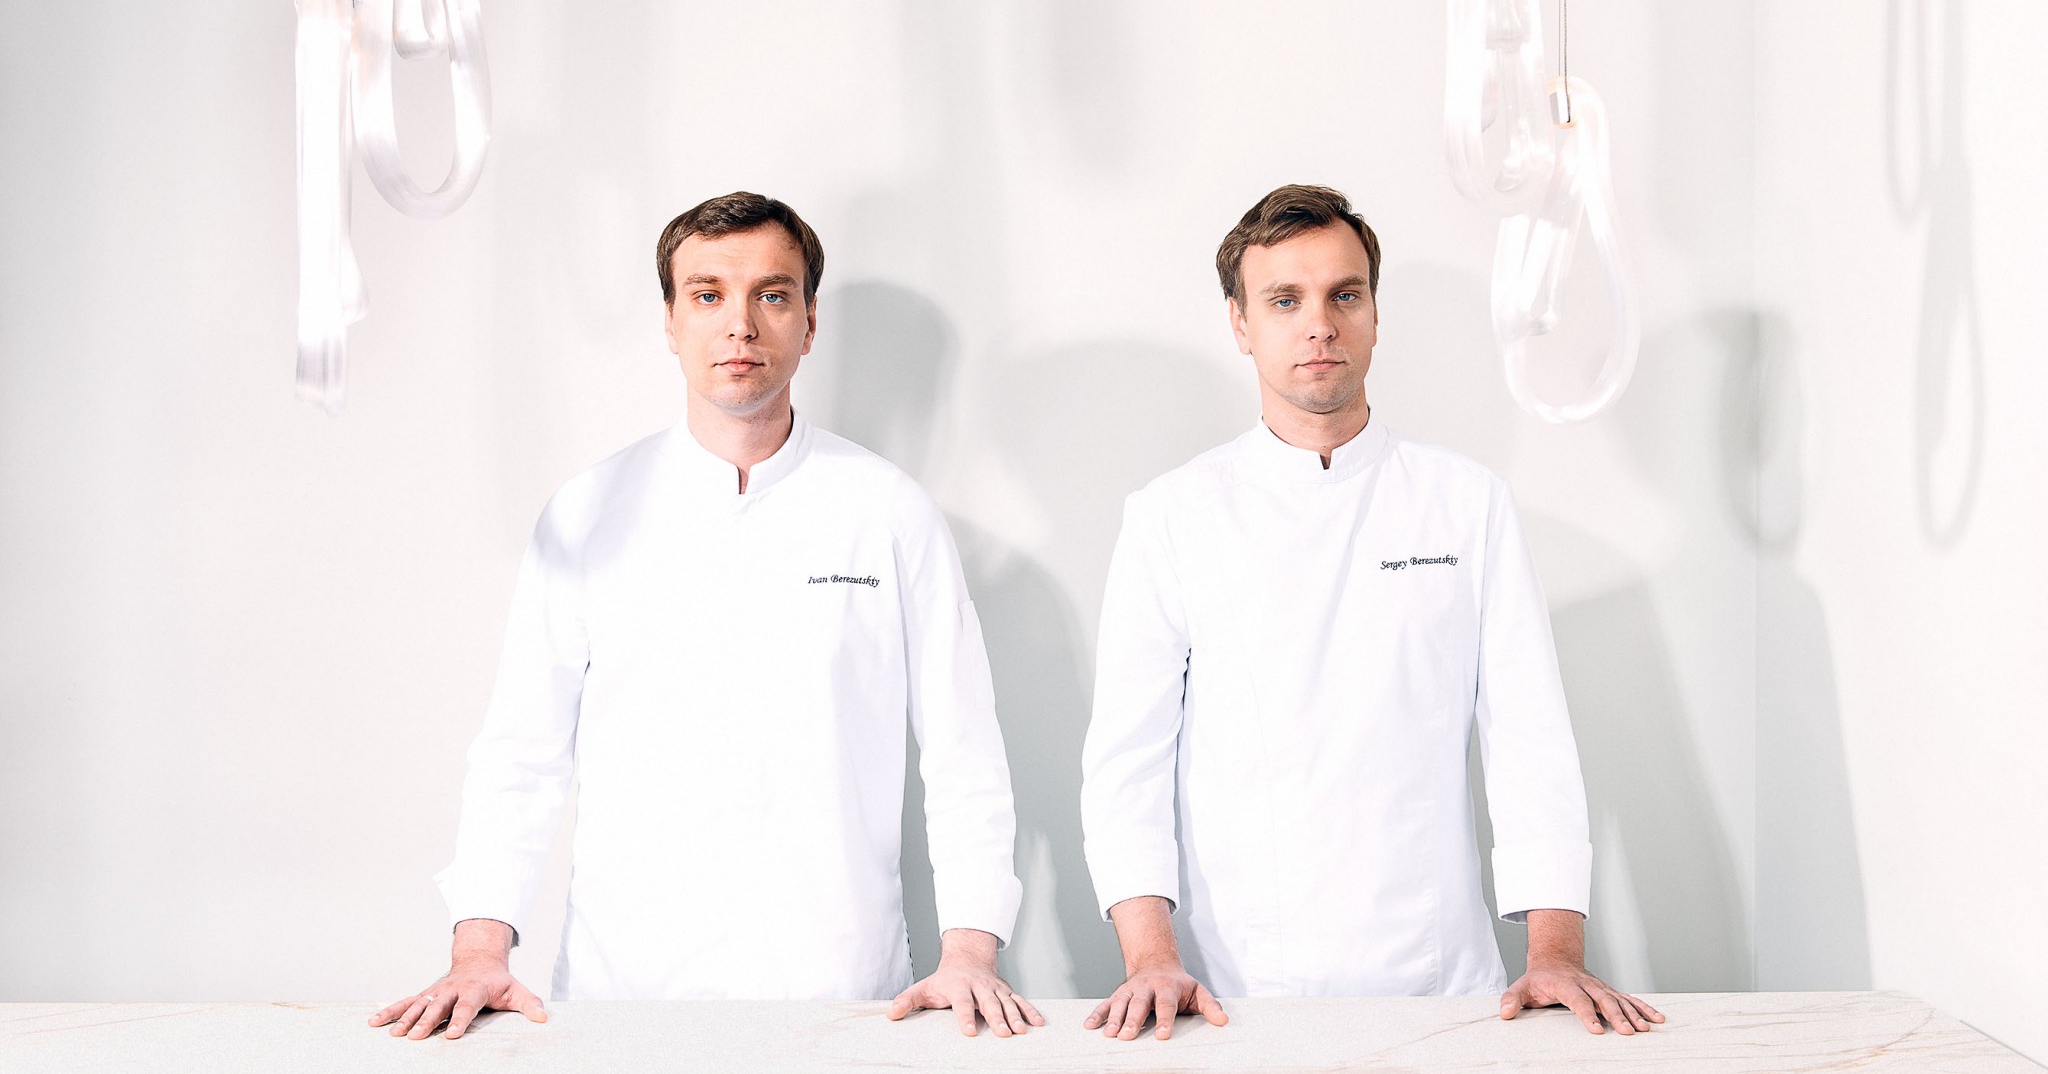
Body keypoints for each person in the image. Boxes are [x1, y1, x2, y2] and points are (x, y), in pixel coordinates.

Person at [372, 192, 1042, 1041]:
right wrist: (478, 950)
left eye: (772, 294)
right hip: (624, 995)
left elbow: (962, 752)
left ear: (809, 322)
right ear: (670, 320)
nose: (740, 325)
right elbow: (522, 751)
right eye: (708, 294)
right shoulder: (587, 513)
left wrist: (971, 951)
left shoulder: (889, 512)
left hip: (839, 989)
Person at [1077, 184, 1663, 1041]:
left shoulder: (1466, 504)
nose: (1320, 324)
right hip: (1232, 994)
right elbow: (1127, 763)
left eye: (1344, 295)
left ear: (1376, 316)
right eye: (1285, 300)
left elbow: (1530, 740)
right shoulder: (1173, 515)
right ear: (1240, 323)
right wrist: (1149, 958)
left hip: (1442, 988)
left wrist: (1557, 951)